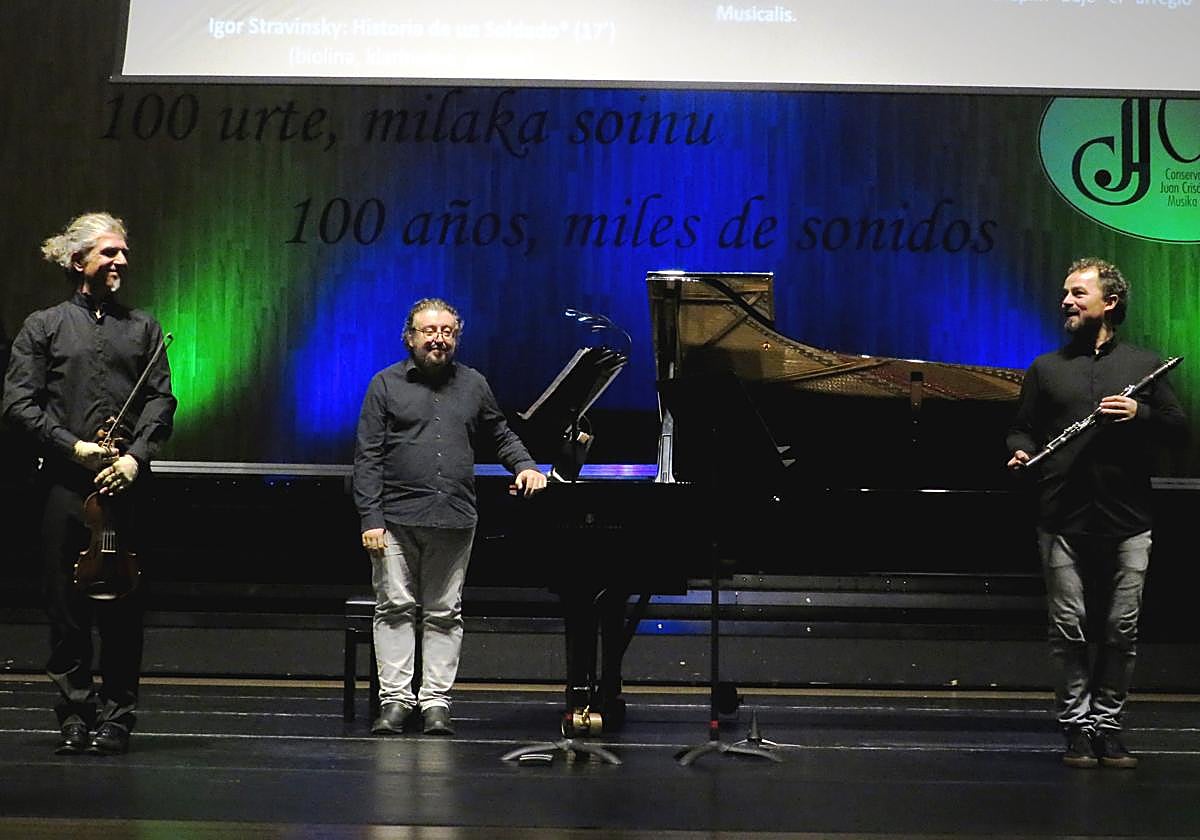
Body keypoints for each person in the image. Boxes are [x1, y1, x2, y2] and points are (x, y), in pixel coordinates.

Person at [2, 212, 176, 756]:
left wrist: (135, 459)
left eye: (123, 252)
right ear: (80, 262)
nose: (121, 261)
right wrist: (73, 446)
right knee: (66, 609)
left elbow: (161, 402)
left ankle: (119, 716)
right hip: (63, 487)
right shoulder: (44, 326)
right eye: (109, 253)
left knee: (125, 608)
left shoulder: (144, 328)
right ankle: (75, 714)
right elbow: (17, 404)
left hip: (125, 487)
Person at [1006, 257, 1186, 770]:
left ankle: (1108, 724)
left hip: (1128, 518)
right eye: (1065, 293)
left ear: (1109, 303)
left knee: (1120, 630)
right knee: (1068, 629)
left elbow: (1179, 429)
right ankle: (1076, 727)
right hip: (1060, 517)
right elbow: (1021, 428)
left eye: (1078, 293)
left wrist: (1140, 413)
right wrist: (1020, 450)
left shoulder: (1143, 365)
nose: (1066, 301)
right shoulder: (1046, 368)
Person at [353, 297, 546, 736]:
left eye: (447, 331)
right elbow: (367, 458)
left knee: (444, 612)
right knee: (395, 608)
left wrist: (526, 466)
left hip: (454, 517)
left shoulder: (474, 384)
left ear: (456, 337)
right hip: (396, 519)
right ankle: (396, 702)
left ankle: (436, 702)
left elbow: (500, 434)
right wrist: (371, 519)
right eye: (429, 331)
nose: (438, 338)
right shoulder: (384, 385)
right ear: (410, 337)